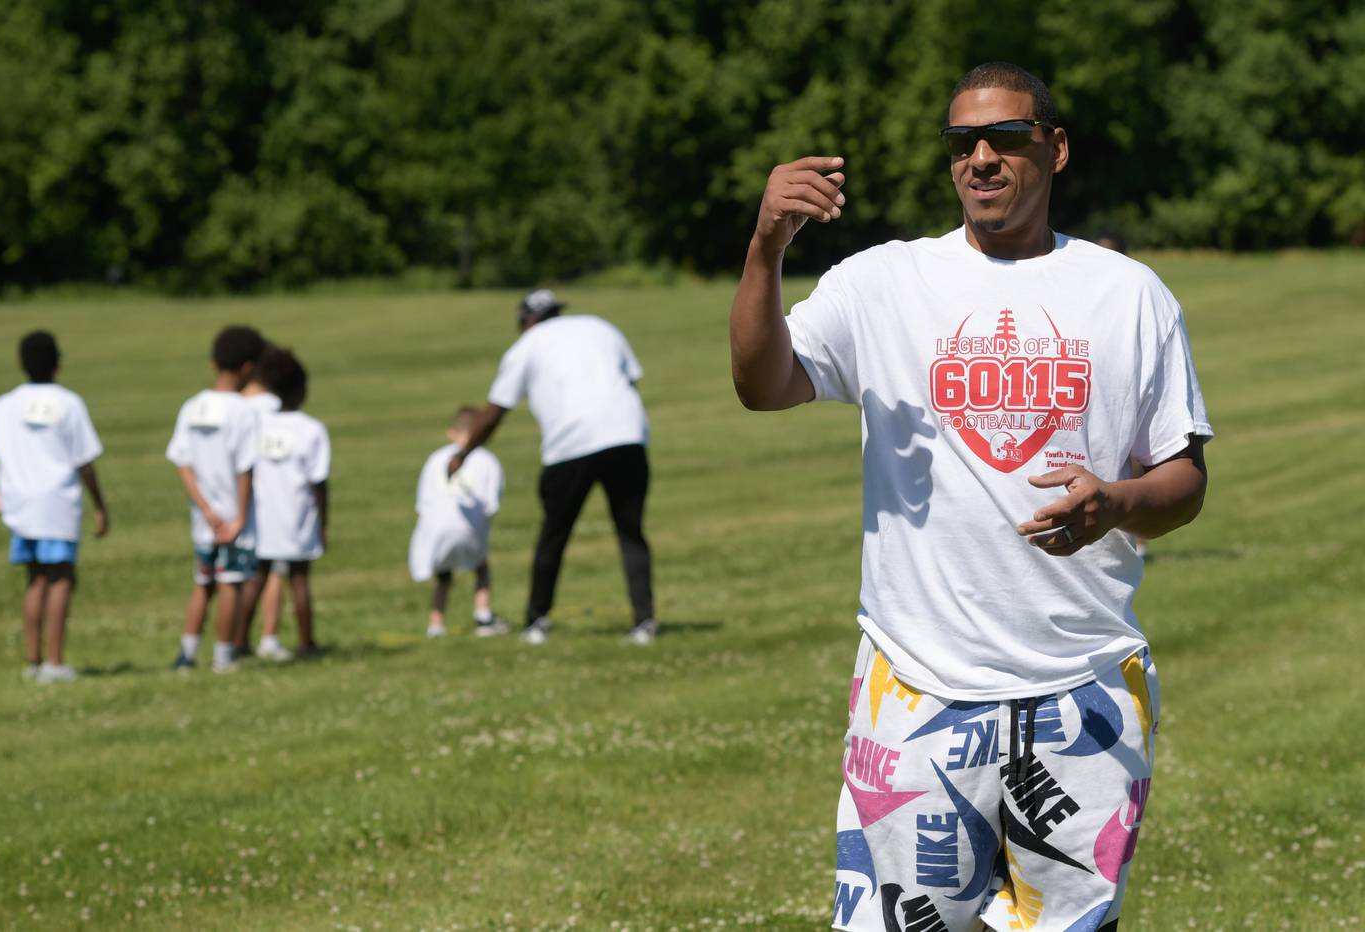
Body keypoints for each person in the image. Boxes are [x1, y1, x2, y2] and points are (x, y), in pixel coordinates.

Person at [729, 63, 1211, 931]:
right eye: (962, 143)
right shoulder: (883, 282)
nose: (981, 159)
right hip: (915, 684)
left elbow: (1184, 479)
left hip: (1083, 685)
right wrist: (766, 245)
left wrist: (1115, 505)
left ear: (1055, 149)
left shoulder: (1128, 293)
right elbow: (764, 384)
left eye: (1006, 139)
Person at [450, 288, 658, 645]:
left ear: (526, 320)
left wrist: (463, 453)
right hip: (627, 435)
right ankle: (645, 624)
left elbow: (494, 412)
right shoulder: (599, 326)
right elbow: (631, 382)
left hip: (570, 445)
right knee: (630, 532)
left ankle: (536, 622)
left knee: (554, 535)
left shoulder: (526, 346)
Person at [0, 331, 109, 684]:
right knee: (61, 578)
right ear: (58, 363)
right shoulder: (68, 403)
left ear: (21, 364)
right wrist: (100, 505)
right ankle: (55, 663)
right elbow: (85, 462)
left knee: (35, 579)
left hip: (21, 504)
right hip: (57, 501)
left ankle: (33, 660)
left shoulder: (6, 403)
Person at [166, 325, 264, 673]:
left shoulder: (193, 406)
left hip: (204, 519)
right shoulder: (243, 411)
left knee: (202, 582)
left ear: (214, 363)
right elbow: (245, 469)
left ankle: (187, 654)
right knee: (230, 585)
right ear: (248, 367)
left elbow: (183, 463)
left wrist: (206, 510)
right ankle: (224, 655)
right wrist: (237, 518)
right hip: (233, 519)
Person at [248, 348, 329, 660]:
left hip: (263, 517)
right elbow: (319, 482)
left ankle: (238, 642)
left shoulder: (258, 425)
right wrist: (323, 523)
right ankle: (307, 643)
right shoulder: (311, 429)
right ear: (301, 388)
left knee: (256, 580)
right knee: (299, 582)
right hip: (298, 518)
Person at [408, 406, 508, 639]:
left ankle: (436, 625)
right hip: (469, 529)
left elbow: (422, 503)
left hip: (434, 529)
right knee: (481, 567)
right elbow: (491, 506)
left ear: (451, 432)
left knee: (443, 576)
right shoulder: (487, 460)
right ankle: (483, 616)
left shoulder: (435, 458)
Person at [233, 345, 286, 657]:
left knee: (240, 574)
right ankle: (268, 636)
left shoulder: (237, 405)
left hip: (238, 497)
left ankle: (235, 640)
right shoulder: (275, 406)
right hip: (272, 495)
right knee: (274, 570)